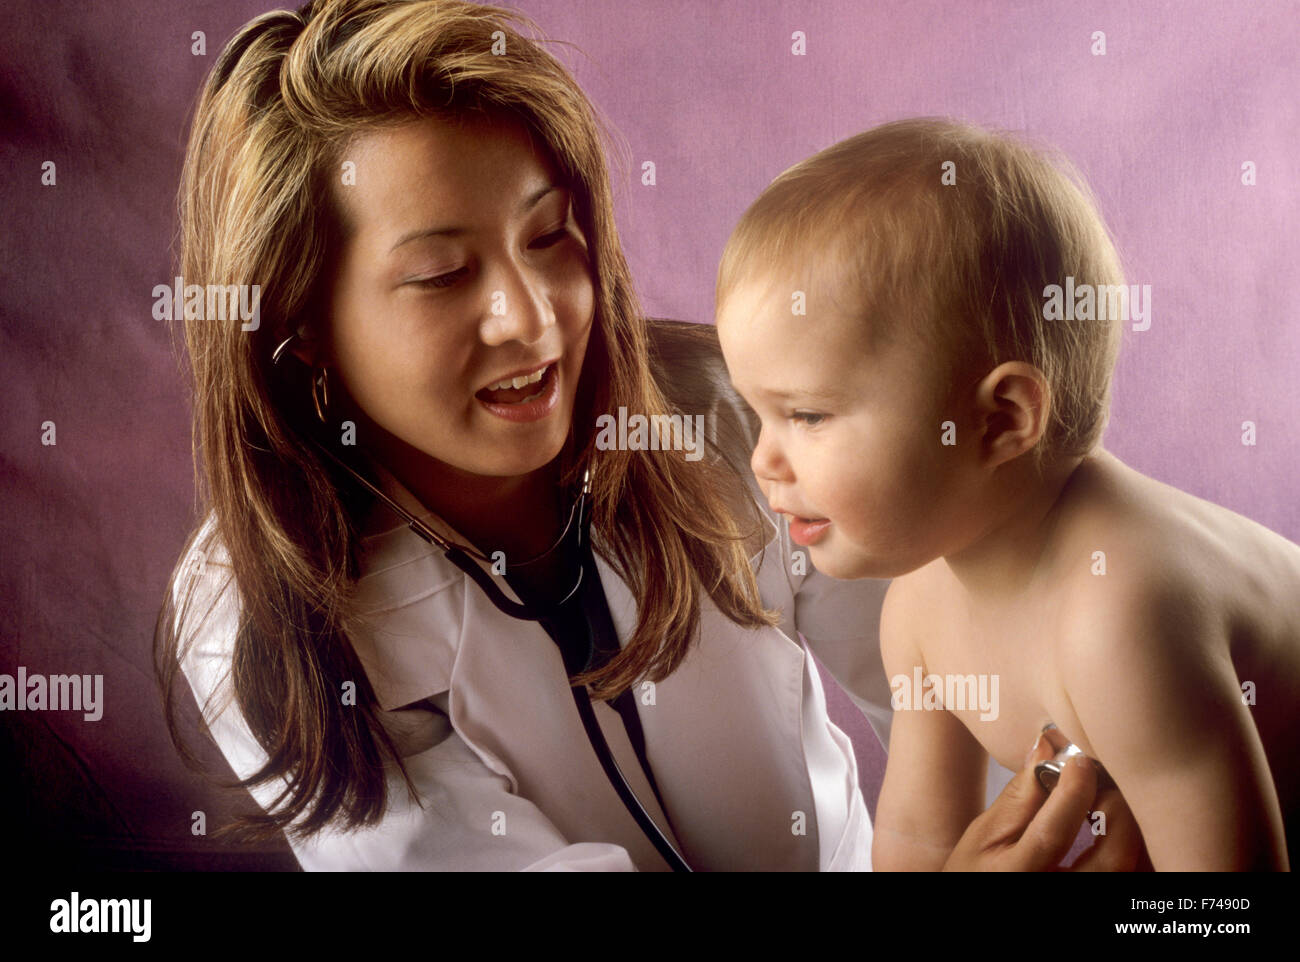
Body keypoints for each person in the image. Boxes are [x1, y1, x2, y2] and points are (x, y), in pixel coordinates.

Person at [157, 0, 1135, 871]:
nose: (532, 318)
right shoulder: (261, 620)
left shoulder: (722, 408)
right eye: (443, 274)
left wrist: (1095, 795)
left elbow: (959, 676)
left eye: (549, 236)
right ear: (301, 326)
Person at [715, 117, 1299, 871]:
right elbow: (919, 844)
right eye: (756, 413)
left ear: (1000, 421)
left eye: (807, 415)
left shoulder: (1119, 614)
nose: (764, 460)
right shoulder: (920, 607)